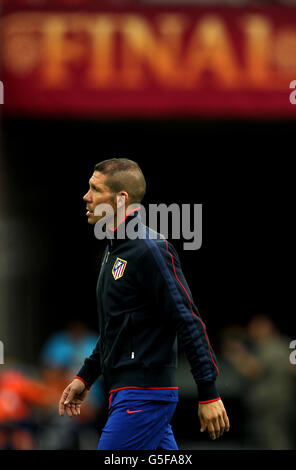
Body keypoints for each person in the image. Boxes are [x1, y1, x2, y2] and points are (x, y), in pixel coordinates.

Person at [58, 158, 230, 450]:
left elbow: (189, 320)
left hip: (144, 395)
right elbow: (118, 326)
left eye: (94, 189)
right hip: (128, 393)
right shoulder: (114, 250)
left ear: (121, 198)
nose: (86, 197)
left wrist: (209, 393)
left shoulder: (150, 248)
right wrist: (86, 377)